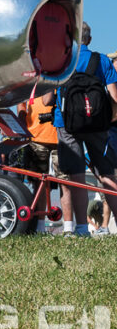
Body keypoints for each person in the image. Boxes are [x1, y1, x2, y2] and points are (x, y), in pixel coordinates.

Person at [43, 22, 117, 236]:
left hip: (66, 125)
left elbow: (47, 100)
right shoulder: (102, 60)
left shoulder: (59, 62)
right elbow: (114, 98)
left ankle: (82, 229)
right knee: (107, 175)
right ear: (89, 40)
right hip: (98, 126)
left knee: (76, 177)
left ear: (69, 40)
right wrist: (106, 117)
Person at [17, 92, 60, 232]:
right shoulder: (30, 75)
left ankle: (69, 227)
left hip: (60, 135)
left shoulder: (60, 72)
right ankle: (40, 227)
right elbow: (21, 104)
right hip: (35, 135)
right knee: (38, 184)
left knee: (65, 183)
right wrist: (22, 128)